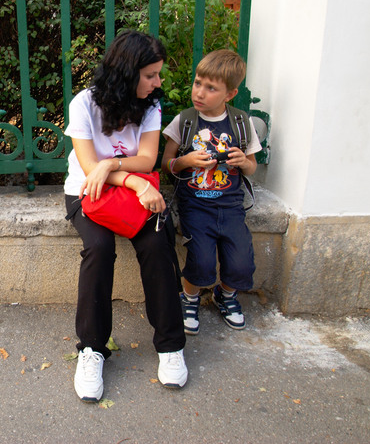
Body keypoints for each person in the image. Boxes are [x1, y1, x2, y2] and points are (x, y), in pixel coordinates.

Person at [64, 30, 187, 402]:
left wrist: (114, 166)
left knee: (158, 243)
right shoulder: (84, 104)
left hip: (132, 193)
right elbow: (90, 169)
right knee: (99, 248)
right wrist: (129, 178)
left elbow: (147, 159)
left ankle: (170, 345)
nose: (157, 82)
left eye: (158, 74)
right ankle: (91, 349)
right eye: (150, 75)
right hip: (88, 193)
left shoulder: (150, 106)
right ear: (127, 72)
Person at [160, 49, 262, 335]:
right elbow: (166, 164)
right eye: (198, 83)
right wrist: (186, 161)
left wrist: (243, 162)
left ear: (230, 94)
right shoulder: (185, 121)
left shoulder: (241, 123)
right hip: (195, 206)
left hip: (231, 207)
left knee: (241, 262)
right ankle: (189, 298)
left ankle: (225, 295)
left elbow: (252, 167)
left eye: (211, 88)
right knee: (201, 260)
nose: (200, 92)